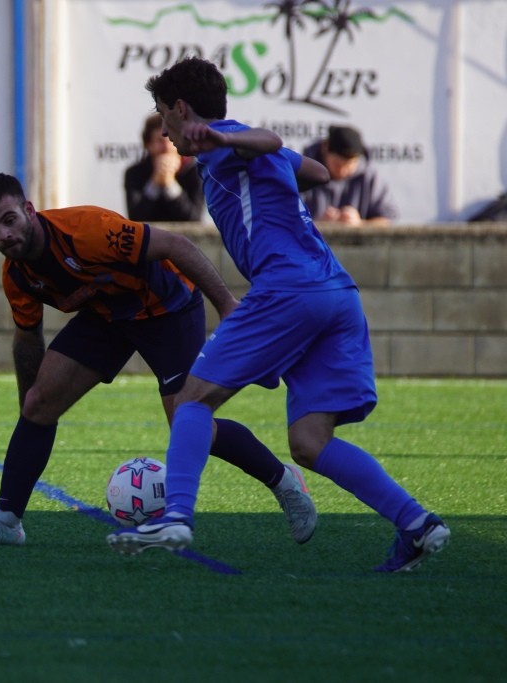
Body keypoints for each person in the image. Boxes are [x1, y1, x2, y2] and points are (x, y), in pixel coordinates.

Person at [107, 57, 449, 573]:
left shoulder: (224, 140)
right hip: (335, 292)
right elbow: (316, 171)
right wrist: (269, 174)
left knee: (192, 401)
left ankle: (175, 515)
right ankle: (417, 522)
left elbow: (265, 139)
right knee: (309, 442)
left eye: (163, 115)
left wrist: (221, 140)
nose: (165, 131)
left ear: (180, 108)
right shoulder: (233, 153)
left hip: (287, 289)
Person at [0, 172, 317, 546]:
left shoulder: (87, 230)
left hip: (167, 306)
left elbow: (177, 245)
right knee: (39, 404)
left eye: (9, 220)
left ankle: (284, 481)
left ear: (29, 210)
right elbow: (27, 339)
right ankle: (7, 522)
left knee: (188, 422)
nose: (3, 235)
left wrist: (226, 305)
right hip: (108, 314)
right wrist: (29, 409)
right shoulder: (16, 275)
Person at [300, 124, 397, 226]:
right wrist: (317, 224)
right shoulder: (301, 174)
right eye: (337, 164)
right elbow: (289, 221)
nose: (342, 171)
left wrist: (360, 224)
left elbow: (388, 220)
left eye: (349, 166)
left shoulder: (370, 177)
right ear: (324, 150)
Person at [124, 113, 204, 222]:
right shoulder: (134, 173)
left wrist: (170, 184)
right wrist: (154, 183)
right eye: (160, 141)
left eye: (171, 140)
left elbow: (194, 219)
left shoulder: (195, 172)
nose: (167, 147)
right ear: (148, 145)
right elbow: (135, 218)